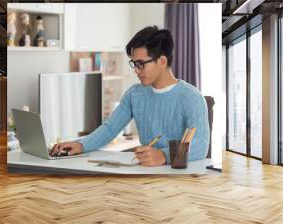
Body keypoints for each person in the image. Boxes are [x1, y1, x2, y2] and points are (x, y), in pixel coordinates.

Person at [50, 26, 209, 167]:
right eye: (134, 64)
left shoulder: (191, 97)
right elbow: (110, 128)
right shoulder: (135, 93)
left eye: (141, 64)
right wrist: (81, 145)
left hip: (179, 178)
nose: (136, 70)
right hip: (145, 173)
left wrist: (163, 156)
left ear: (161, 61)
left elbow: (200, 145)